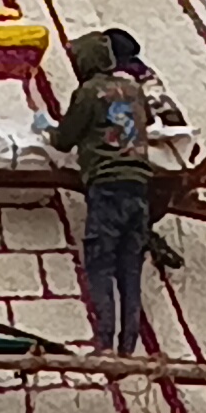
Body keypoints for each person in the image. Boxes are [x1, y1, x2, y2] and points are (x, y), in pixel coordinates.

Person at [52, 29, 162, 356]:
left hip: (106, 185)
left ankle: (104, 343)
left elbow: (63, 140)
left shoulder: (88, 92)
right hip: (139, 186)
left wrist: (48, 127)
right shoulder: (133, 89)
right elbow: (147, 120)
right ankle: (129, 346)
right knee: (130, 268)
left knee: (100, 264)